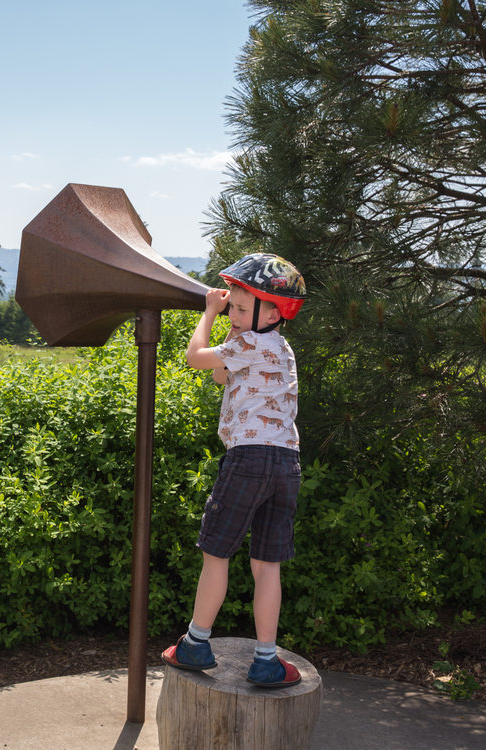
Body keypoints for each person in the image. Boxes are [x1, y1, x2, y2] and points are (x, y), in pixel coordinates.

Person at [161, 252, 307, 689]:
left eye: (243, 309)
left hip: (248, 460)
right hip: (286, 464)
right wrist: (237, 323)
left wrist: (209, 313)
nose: (234, 314)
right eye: (233, 307)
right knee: (267, 565)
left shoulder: (248, 344)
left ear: (275, 312)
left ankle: (195, 643)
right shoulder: (278, 347)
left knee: (216, 553)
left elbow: (195, 359)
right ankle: (266, 660)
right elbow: (221, 377)